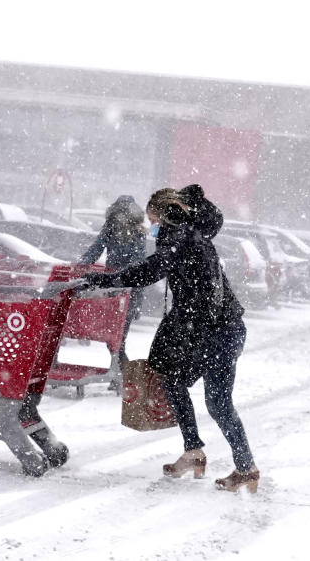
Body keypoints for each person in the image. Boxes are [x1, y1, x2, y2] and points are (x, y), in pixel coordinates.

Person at [82, 185, 259, 492]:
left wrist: (107, 280)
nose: (151, 228)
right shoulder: (195, 235)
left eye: (153, 221)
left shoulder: (179, 237)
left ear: (163, 215)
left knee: (174, 381)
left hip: (211, 331)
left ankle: (195, 451)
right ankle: (245, 468)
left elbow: (151, 270)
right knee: (217, 402)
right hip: (225, 328)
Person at [79, 195, 147, 365]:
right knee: (117, 337)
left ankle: (122, 372)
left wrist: (82, 266)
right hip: (126, 287)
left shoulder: (115, 227)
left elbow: (96, 249)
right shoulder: (132, 230)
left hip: (122, 286)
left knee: (116, 338)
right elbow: (136, 261)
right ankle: (121, 372)